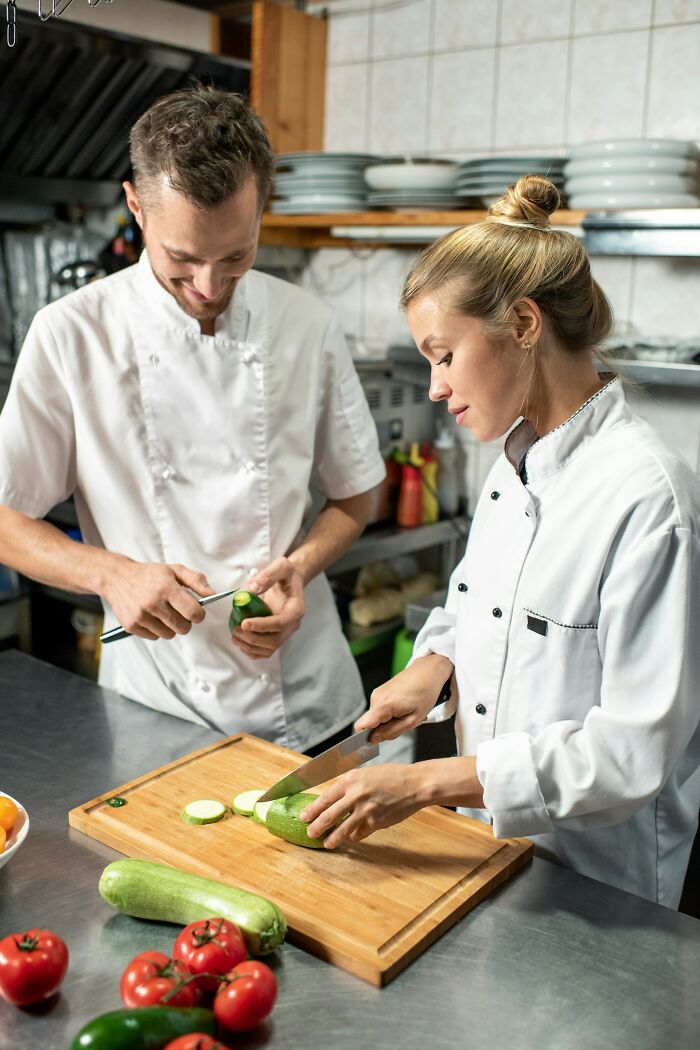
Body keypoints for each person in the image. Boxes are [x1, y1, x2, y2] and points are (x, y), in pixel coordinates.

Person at [300, 175, 700, 909]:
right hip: (486, 851)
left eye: (443, 355)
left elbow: (632, 752)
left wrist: (426, 781)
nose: (433, 387)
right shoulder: (510, 464)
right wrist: (435, 668)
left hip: (601, 886)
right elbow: (478, 604)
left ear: (522, 323)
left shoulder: (650, 499)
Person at [0, 84, 386, 751]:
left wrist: (301, 566)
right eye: (182, 259)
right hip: (156, 707)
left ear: (261, 208)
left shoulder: (308, 324)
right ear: (135, 207)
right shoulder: (71, 334)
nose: (209, 286)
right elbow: (5, 521)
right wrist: (109, 575)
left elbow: (356, 495)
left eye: (236, 256)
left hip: (308, 702)